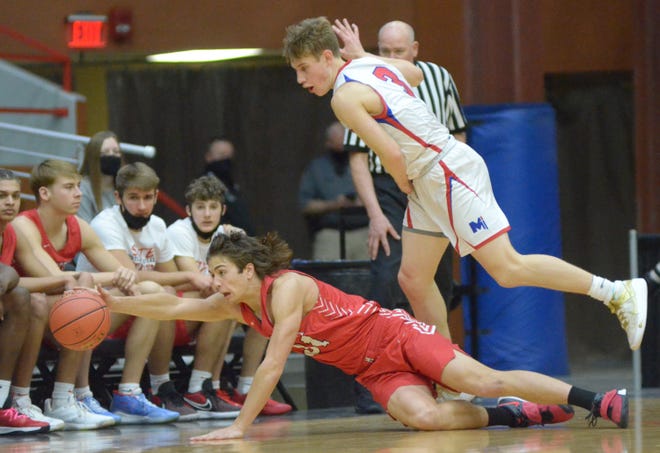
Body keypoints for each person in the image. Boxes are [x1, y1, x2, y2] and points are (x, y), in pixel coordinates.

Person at [282, 17, 647, 351]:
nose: (300, 79)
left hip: (443, 170)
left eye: (303, 68)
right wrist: (364, 55)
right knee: (412, 278)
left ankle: (616, 292)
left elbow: (391, 154)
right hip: (434, 173)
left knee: (507, 269)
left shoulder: (343, 98)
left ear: (327, 56)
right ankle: (450, 374)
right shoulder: (367, 63)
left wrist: (402, 182)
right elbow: (415, 75)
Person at [99, 231, 629, 441]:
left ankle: (595, 399)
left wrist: (240, 426)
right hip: (373, 369)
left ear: (245, 270)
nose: (212, 282)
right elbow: (170, 303)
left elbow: (274, 364)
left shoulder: (286, 290)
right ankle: (519, 413)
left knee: (483, 378)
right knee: (425, 419)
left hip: (392, 334)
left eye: (219, 271)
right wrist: (117, 303)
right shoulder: (235, 303)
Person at [343, 20, 468, 414]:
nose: (391, 58)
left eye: (399, 51)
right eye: (385, 49)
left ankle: (442, 376)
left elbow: (458, 135)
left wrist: (453, 190)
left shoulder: (438, 78)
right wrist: (376, 214)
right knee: (386, 282)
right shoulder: (359, 79)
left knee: (438, 284)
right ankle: (376, 384)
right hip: (390, 187)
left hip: (432, 179)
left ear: (414, 49)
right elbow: (358, 155)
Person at [11, 159, 179, 428]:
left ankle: (129, 394)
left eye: (78, 186)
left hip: (58, 310)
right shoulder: (24, 224)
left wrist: (131, 285)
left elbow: (124, 275)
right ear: (44, 193)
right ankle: (63, 398)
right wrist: (113, 276)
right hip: (27, 314)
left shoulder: (79, 225)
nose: (79, 193)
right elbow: (53, 280)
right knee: (80, 299)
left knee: (149, 292)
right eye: (69, 187)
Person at [167, 175, 291, 416]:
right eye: (200, 207)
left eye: (213, 207)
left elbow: (250, 279)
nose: (206, 214)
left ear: (223, 210)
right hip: (178, 317)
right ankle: (199, 389)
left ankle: (249, 389)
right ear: (188, 210)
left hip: (211, 308)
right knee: (226, 299)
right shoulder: (178, 232)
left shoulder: (231, 235)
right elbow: (199, 280)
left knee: (262, 306)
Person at [299, 121, 369, 260]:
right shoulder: (317, 168)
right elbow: (305, 205)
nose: (342, 150)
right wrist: (334, 205)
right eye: (337, 145)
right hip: (331, 234)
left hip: (364, 232)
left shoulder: (365, 162)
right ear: (328, 144)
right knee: (328, 277)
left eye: (344, 145)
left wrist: (366, 200)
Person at [203, 137, 255, 235]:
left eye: (229, 156)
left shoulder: (232, 185)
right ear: (209, 157)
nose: (226, 160)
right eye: (222, 155)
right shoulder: (203, 187)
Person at [78, 131, 123, 223]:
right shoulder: (82, 188)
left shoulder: (124, 186)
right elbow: (85, 228)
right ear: (93, 157)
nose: (111, 155)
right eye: (105, 152)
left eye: (116, 152)